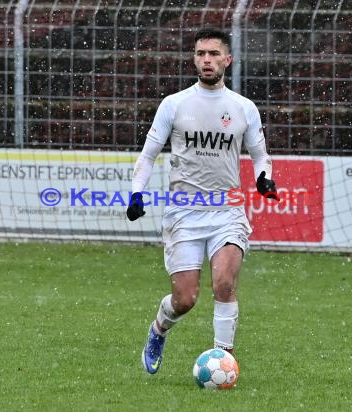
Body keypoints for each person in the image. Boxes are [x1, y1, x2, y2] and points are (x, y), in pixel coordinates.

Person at [126, 27, 277, 374]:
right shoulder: (175, 104)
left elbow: (259, 154)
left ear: (227, 59)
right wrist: (137, 193)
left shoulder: (243, 108)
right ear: (194, 59)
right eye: (200, 54)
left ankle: (224, 360)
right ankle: (159, 329)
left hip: (227, 209)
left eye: (213, 54)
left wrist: (263, 178)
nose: (206, 60)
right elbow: (148, 156)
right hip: (184, 212)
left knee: (224, 284)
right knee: (185, 299)